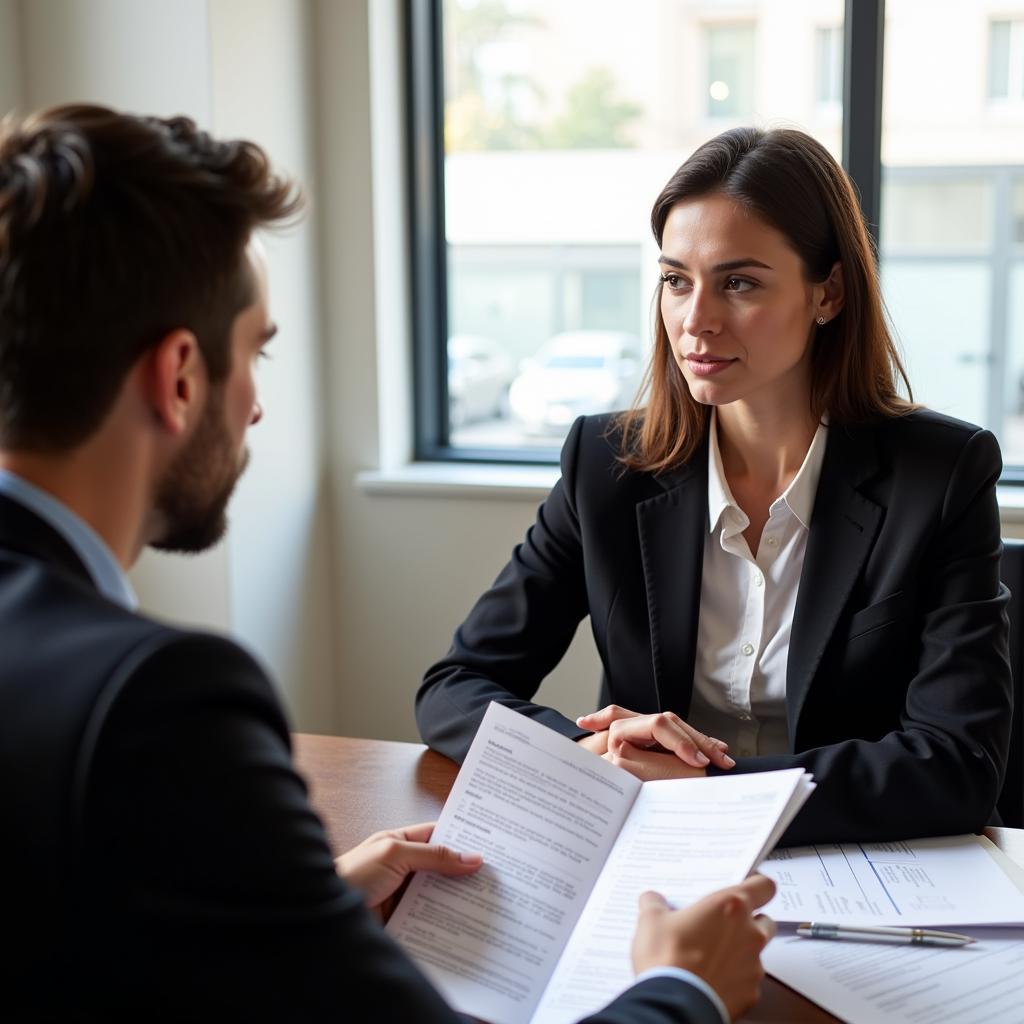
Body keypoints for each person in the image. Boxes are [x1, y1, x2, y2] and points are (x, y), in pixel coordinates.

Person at [0, 104, 776, 1022]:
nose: (253, 408)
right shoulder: (160, 702)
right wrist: (683, 989)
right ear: (178, 377)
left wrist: (301, 911)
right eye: (256, 353)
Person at [417, 126, 1013, 846]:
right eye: (676, 280)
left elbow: (958, 765)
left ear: (828, 293)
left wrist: (710, 790)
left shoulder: (943, 475)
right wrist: (591, 757)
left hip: (848, 862)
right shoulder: (606, 465)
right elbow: (455, 687)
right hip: (649, 858)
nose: (695, 321)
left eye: (739, 282)